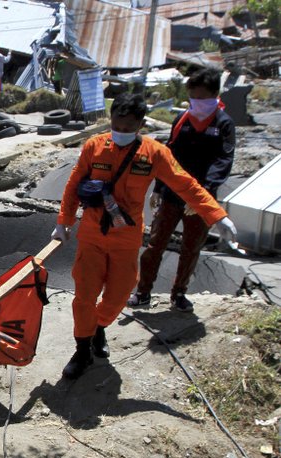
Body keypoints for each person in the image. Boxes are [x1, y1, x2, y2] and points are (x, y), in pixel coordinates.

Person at [51, 93, 238, 379]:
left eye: (129, 128)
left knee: (120, 294)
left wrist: (217, 215)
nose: (121, 132)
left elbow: (185, 184)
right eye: (117, 125)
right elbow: (74, 182)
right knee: (84, 295)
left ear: (140, 125)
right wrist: (63, 222)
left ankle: (99, 325)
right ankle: (82, 349)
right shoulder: (94, 146)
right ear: (111, 120)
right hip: (92, 235)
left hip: (127, 238)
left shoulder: (154, 153)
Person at [128, 68, 236, 313]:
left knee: (191, 247)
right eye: (193, 97)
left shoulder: (224, 124)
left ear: (214, 95)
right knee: (156, 243)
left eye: (201, 98)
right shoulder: (182, 121)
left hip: (202, 196)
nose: (197, 103)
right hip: (171, 194)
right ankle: (143, 292)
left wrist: (203, 194)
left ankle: (179, 294)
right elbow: (168, 156)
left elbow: (223, 160)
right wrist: (158, 187)